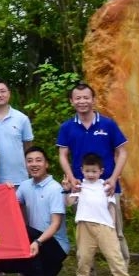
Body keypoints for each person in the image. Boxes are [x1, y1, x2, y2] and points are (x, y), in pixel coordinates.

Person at [57, 82, 129, 262]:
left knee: (115, 230)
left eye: (86, 97)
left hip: (108, 187)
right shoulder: (67, 127)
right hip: (81, 188)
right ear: (71, 101)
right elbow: (63, 155)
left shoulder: (108, 124)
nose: (82, 101)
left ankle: (122, 272)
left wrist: (114, 178)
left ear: (93, 100)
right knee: (85, 232)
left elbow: (122, 152)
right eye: (78, 98)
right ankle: (87, 273)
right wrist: (71, 178)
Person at [66, 153, 136, 276]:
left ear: (101, 171)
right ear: (82, 170)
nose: (91, 174)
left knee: (114, 255)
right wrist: (68, 189)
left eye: (94, 171)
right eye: (87, 171)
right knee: (83, 255)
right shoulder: (79, 186)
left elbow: (111, 206)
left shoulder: (106, 186)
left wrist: (112, 225)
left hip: (104, 225)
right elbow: (69, 203)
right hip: (84, 224)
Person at [11, 146, 69, 276]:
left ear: (46, 164)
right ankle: (43, 272)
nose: (34, 164)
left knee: (25, 231)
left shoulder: (55, 189)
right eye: (29, 161)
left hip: (55, 245)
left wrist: (38, 242)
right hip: (36, 242)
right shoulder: (25, 185)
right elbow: (10, 205)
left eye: (38, 160)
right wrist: (7, 189)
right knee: (13, 235)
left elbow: (56, 224)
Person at [0, 78, 33, 184]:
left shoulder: (22, 119)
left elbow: (28, 147)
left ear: (9, 93)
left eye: (3, 91)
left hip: (19, 179)